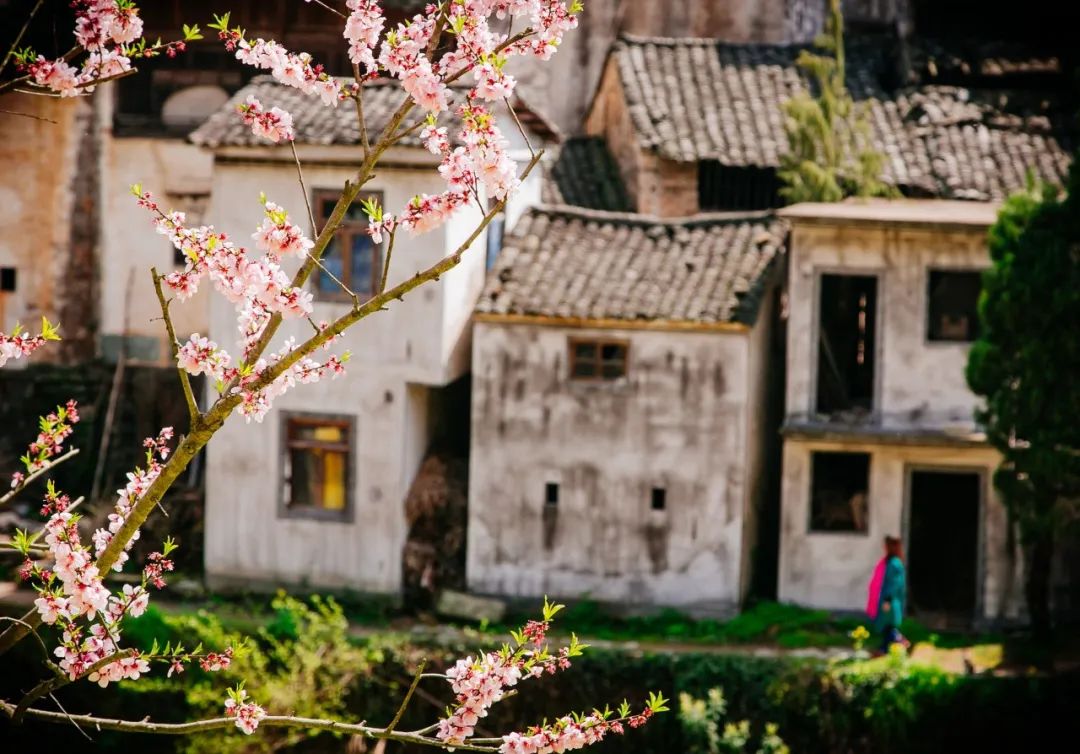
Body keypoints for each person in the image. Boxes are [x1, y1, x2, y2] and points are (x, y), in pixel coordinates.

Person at [866, 535, 908, 654]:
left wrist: (888, 600)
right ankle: (885, 648)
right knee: (887, 626)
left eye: (886, 545)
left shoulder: (894, 563)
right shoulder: (890, 562)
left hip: (890, 600)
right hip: (887, 599)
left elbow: (895, 584)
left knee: (888, 625)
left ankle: (898, 643)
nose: (884, 547)